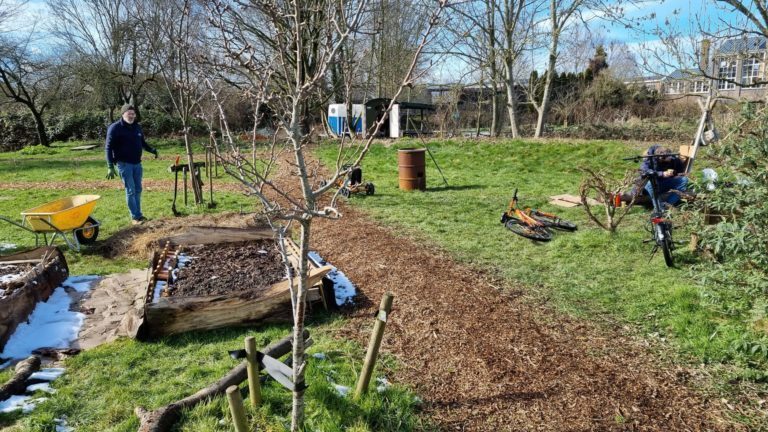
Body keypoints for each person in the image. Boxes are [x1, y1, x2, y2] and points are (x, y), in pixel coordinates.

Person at [105, 104, 158, 224]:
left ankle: (139, 215)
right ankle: (135, 217)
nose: (132, 115)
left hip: (137, 164)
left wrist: (151, 150)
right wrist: (110, 166)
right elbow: (108, 148)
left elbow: (142, 142)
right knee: (130, 190)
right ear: (123, 114)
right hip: (124, 164)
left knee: (138, 189)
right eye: (129, 113)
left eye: (133, 113)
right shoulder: (115, 128)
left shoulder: (137, 127)